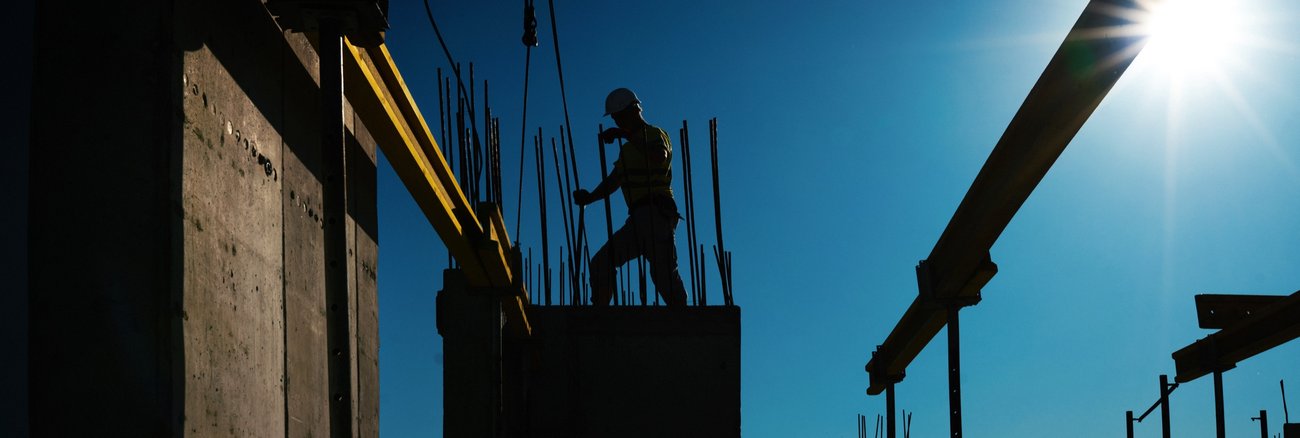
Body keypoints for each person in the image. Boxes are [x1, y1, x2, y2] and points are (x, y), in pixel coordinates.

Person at [572, 88, 688, 307]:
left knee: (663, 274)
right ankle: (600, 315)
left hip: (656, 213)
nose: (616, 122)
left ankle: (686, 321)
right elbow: (613, 182)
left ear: (633, 111)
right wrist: (589, 198)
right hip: (637, 219)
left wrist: (624, 135)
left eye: (618, 117)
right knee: (601, 264)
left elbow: (658, 156)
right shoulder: (627, 151)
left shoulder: (655, 133)